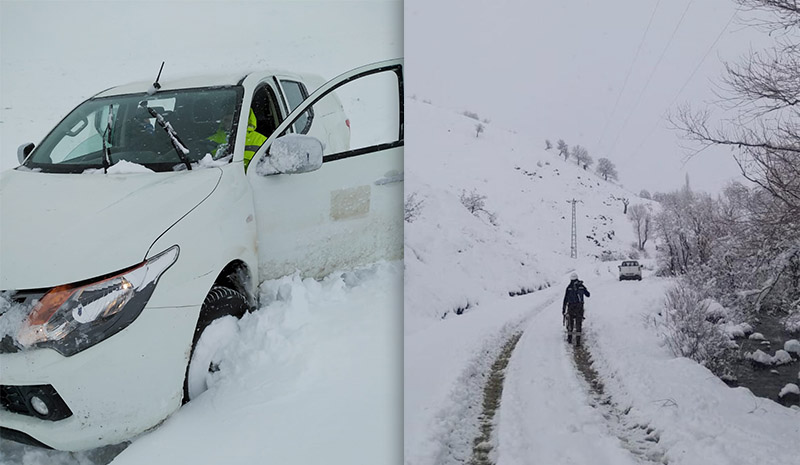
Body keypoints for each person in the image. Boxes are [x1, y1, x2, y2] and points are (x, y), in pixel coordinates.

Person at [562, 272, 590, 344]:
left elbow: (565, 299)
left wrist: (563, 309)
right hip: (579, 307)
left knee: (570, 323)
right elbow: (588, 294)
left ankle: (569, 339)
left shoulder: (569, 288)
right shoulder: (581, 286)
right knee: (578, 323)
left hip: (571, 307)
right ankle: (578, 341)